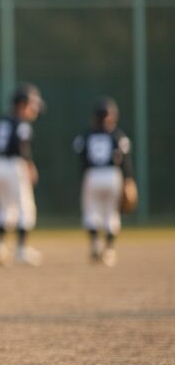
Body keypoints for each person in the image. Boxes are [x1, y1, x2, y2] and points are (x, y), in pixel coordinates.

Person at [72, 97, 134, 266]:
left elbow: (81, 156)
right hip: (112, 175)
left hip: (92, 175)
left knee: (91, 211)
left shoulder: (85, 136)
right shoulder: (118, 135)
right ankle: (109, 250)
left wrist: (83, 178)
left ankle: (94, 246)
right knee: (111, 213)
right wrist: (129, 180)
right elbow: (125, 160)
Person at [0, 83, 45, 266]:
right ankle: (21, 249)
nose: (34, 110)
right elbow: (22, 146)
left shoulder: (1, 121)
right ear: (21, 104)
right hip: (15, 165)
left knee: (4, 208)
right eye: (31, 105)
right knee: (25, 207)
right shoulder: (22, 124)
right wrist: (29, 165)